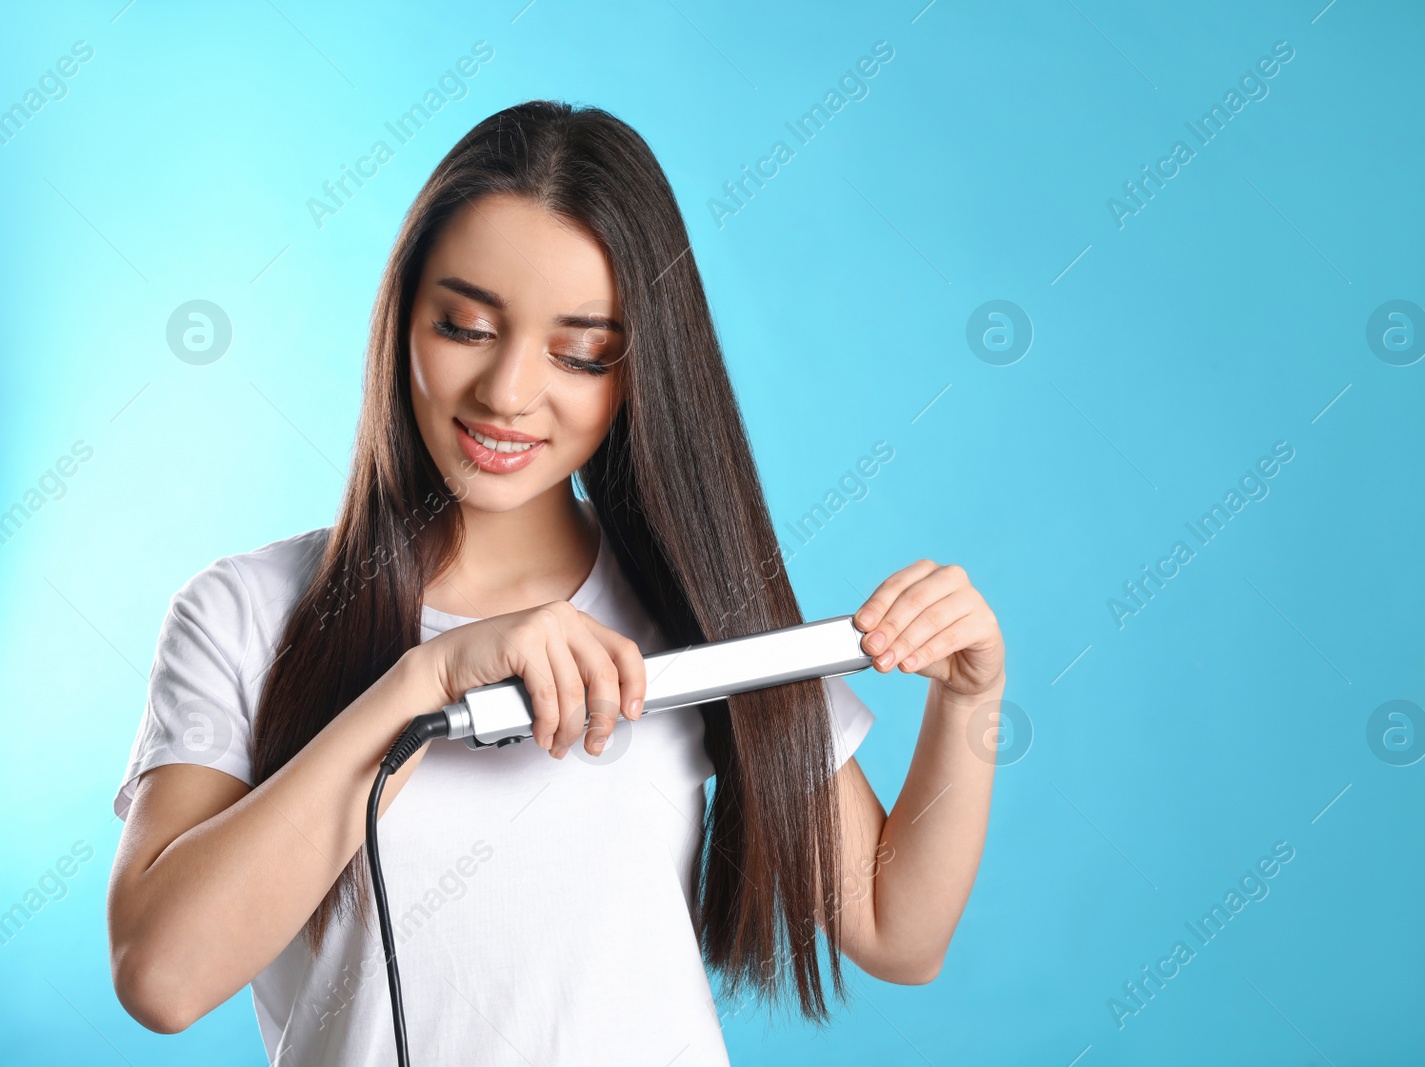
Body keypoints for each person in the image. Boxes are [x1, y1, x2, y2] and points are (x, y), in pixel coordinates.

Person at [106, 100, 1005, 1066]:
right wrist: (424, 682)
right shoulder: (246, 612)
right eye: (465, 325)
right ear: (402, 318)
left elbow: (896, 933)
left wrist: (970, 703)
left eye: (578, 352)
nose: (507, 393)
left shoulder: (698, 616)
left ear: (638, 368)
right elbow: (162, 975)